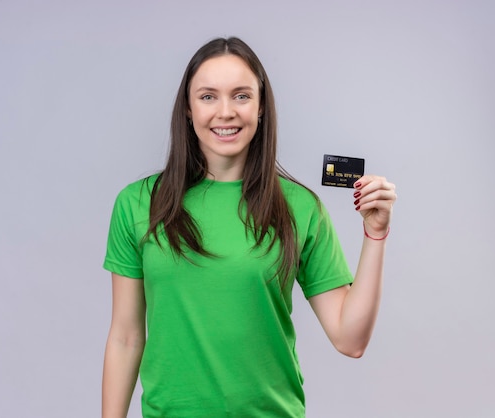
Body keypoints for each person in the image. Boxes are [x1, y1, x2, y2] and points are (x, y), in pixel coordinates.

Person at [102, 37, 396, 418]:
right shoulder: (137, 204)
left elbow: (350, 338)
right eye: (208, 96)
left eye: (241, 96)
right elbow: (126, 338)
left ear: (261, 109)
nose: (226, 112)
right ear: (188, 110)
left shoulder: (300, 208)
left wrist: (375, 234)